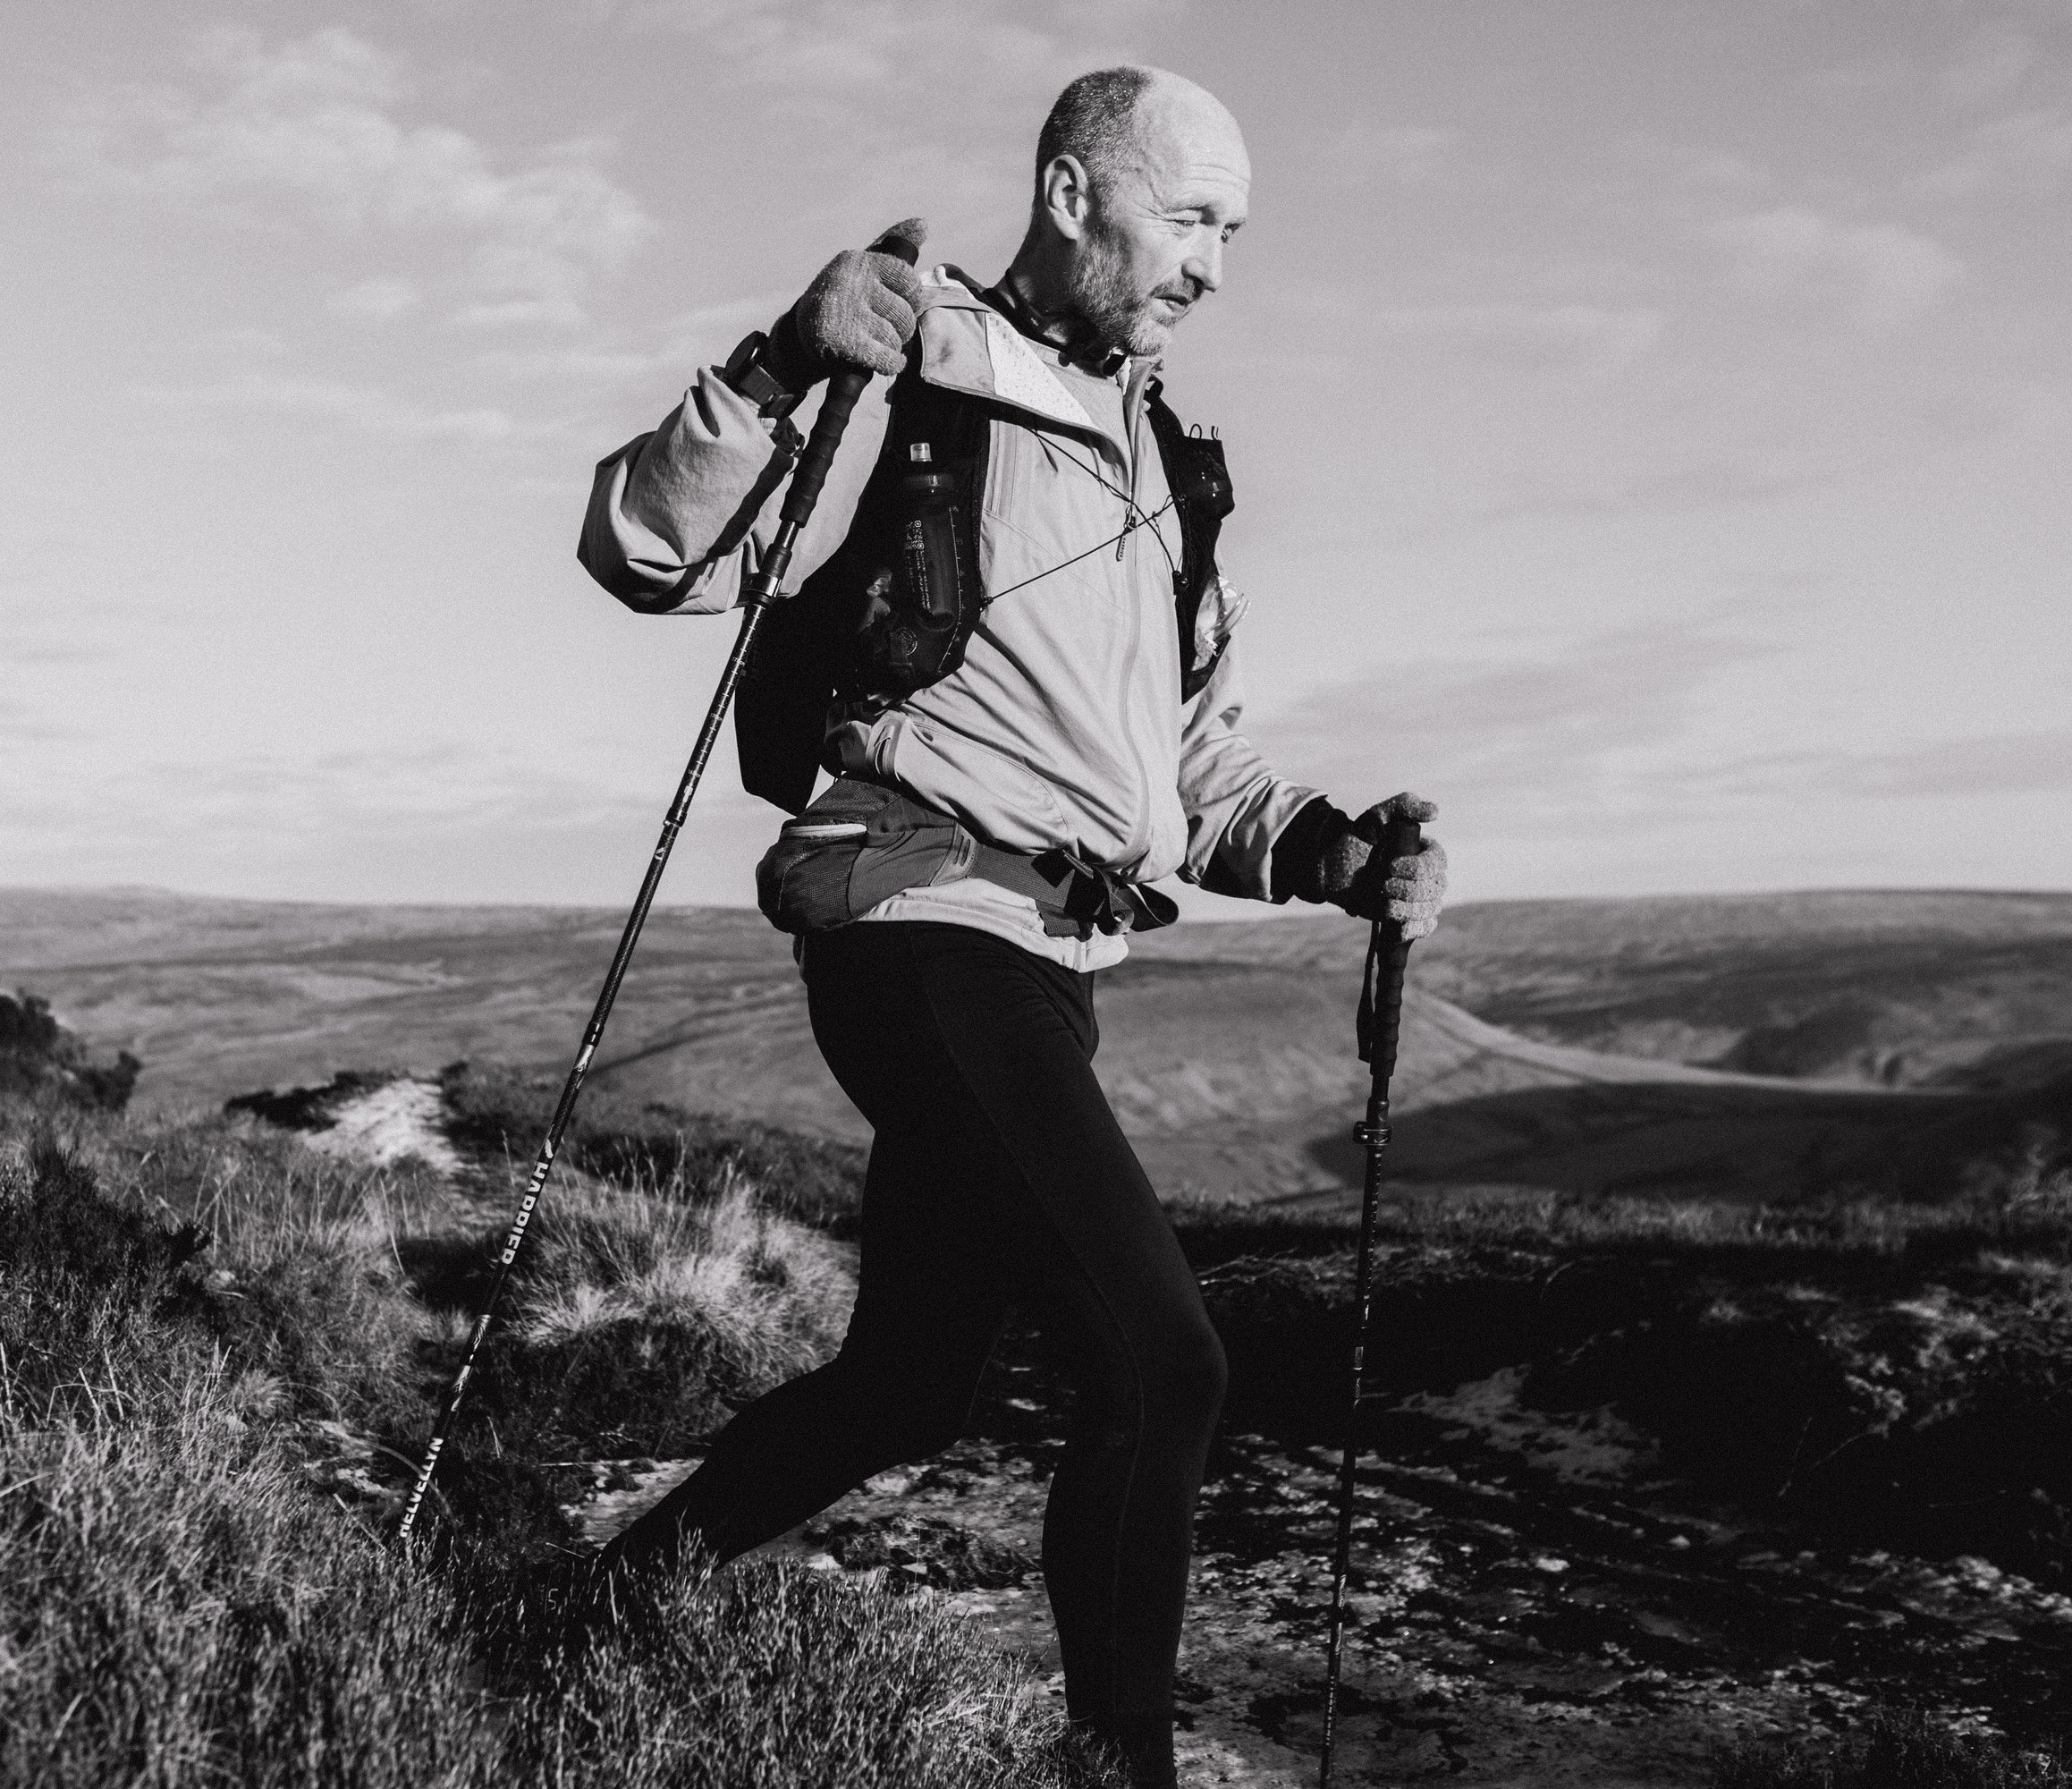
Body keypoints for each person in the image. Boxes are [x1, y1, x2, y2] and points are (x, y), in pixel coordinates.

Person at [577, 64, 1447, 1789]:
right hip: (917, 914)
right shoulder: (908, 364)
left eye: (1233, 233)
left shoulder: (1173, 464)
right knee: (1165, 1364)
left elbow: (1192, 785)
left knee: (907, 1385)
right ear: (1072, 194)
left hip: (1050, 963)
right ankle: (1118, 1771)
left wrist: (1344, 853)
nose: (1214, 265)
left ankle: (593, 1615)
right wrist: (778, 358)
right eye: (1191, 218)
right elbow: (638, 552)